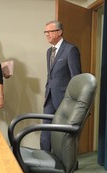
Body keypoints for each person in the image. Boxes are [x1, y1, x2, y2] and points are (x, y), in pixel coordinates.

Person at [40, 20, 82, 151]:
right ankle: (44, 158)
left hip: (65, 99)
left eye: (50, 31)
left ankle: (69, 163)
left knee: (64, 133)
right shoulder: (49, 51)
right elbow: (51, 75)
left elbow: (76, 77)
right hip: (50, 97)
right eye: (45, 32)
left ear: (59, 32)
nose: (47, 34)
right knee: (45, 130)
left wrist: (75, 101)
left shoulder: (70, 49)